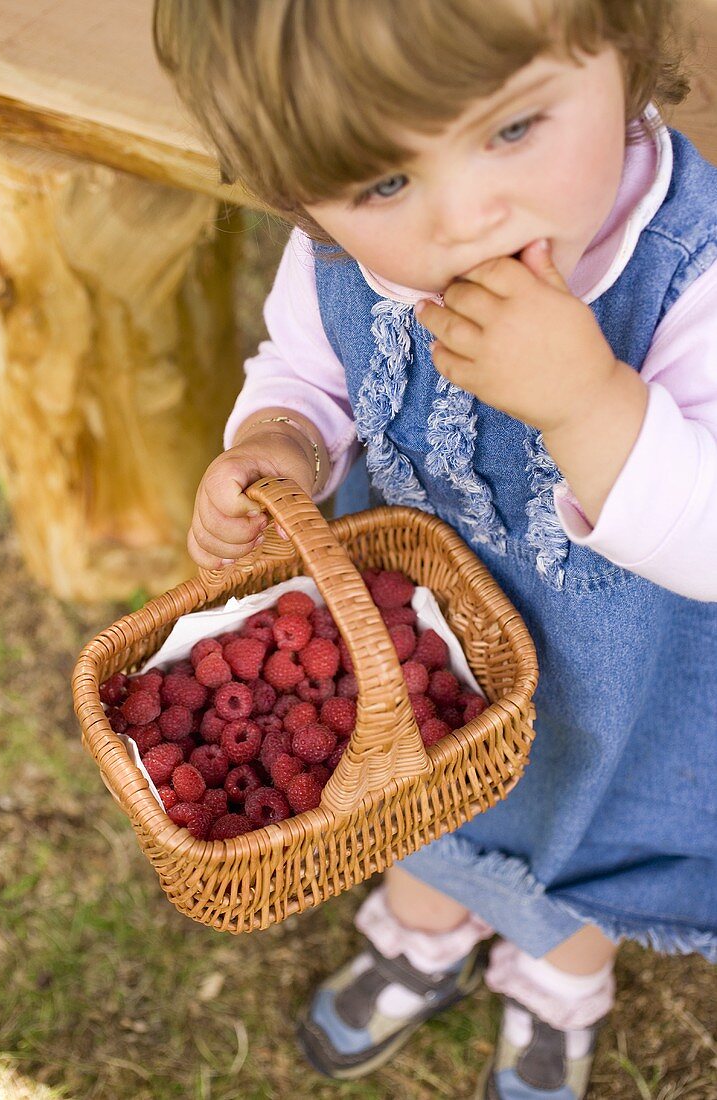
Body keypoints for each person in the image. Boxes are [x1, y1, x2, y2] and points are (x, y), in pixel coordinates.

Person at [153, 2, 717, 1096]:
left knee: (576, 869)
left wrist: (592, 404)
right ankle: (421, 936)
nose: (465, 216)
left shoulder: (690, 279)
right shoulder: (343, 261)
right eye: (381, 184)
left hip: (617, 699)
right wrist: (281, 439)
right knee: (413, 809)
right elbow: (303, 366)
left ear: (624, 47)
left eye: (512, 130)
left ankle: (557, 988)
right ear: (298, 193)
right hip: (418, 662)